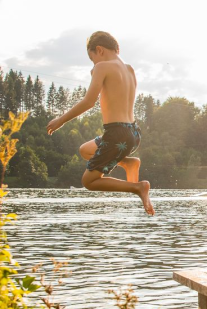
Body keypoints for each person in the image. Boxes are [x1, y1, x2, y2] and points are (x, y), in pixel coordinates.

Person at [46, 31, 154, 215]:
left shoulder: (102, 67)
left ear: (100, 50)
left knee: (88, 181)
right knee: (85, 150)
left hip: (117, 133)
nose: (93, 63)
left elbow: (89, 102)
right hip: (133, 133)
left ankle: (138, 188)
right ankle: (128, 163)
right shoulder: (129, 69)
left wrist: (60, 120)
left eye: (92, 58)